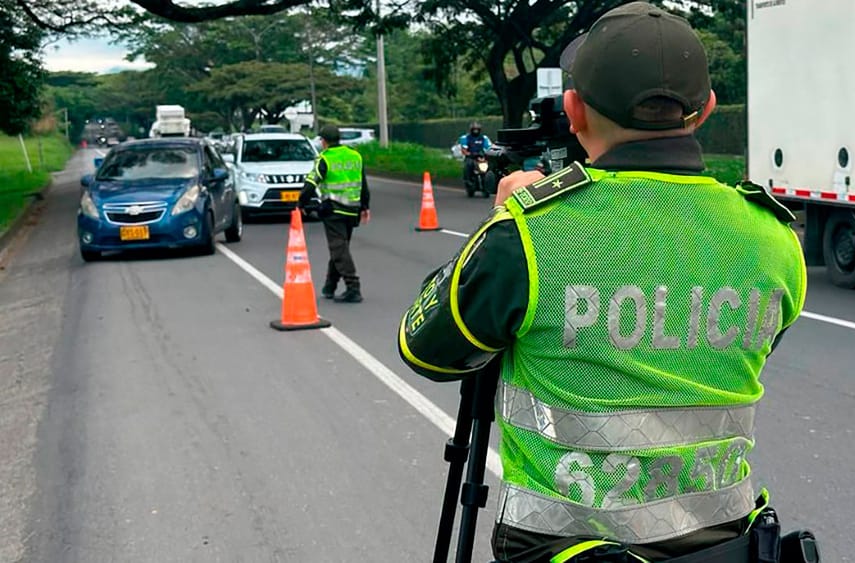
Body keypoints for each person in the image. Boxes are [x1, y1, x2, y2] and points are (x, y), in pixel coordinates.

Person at [398, 3, 809, 562]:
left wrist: (498, 222)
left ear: (574, 110)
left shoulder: (529, 233)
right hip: (724, 549)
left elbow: (426, 350)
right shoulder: (774, 237)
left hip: (562, 550)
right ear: (707, 109)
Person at [297, 125, 371, 303]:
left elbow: (311, 184)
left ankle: (353, 287)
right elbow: (363, 183)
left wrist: (300, 204)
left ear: (324, 141)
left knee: (339, 249)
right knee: (340, 248)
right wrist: (365, 206)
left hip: (334, 210)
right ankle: (330, 286)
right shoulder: (355, 155)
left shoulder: (325, 159)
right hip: (352, 210)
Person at [459, 121, 493, 190]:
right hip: (471, 157)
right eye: (474, 129)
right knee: (468, 165)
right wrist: (469, 154)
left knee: (489, 166)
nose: (476, 131)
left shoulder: (484, 138)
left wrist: (488, 154)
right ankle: (468, 180)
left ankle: (489, 181)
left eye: (477, 129)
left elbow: (489, 147)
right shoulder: (465, 138)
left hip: (481, 157)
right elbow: (464, 150)